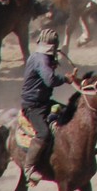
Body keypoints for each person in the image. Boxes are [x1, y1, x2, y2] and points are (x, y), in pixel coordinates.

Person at [19, 28, 71, 183]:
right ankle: (29, 169)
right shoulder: (41, 59)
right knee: (44, 133)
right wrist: (66, 79)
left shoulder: (40, 57)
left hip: (44, 102)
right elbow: (50, 80)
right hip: (33, 106)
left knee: (69, 113)